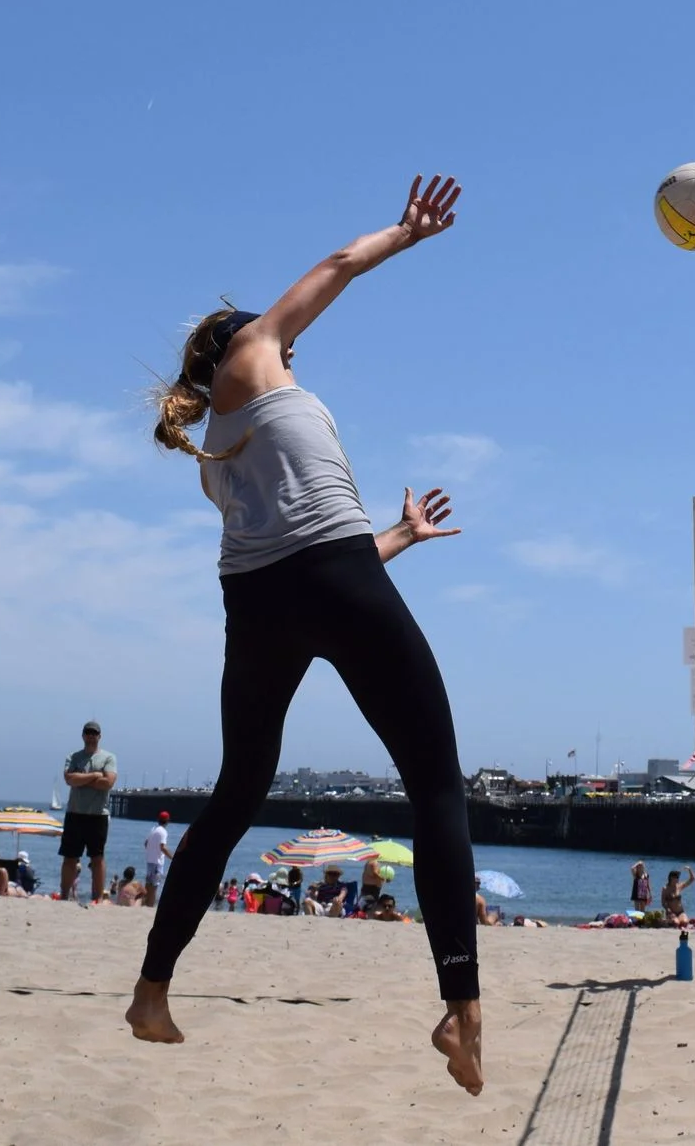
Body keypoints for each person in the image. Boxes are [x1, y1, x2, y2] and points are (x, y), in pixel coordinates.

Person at [125, 175, 484, 1097]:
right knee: (435, 783)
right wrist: (407, 232)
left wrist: (397, 537)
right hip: (329, 579)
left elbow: (297, 548)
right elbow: (335, 265)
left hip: (261, 601)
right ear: (244, 337)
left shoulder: (215, 452)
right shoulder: (256, 349)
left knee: (237, 792)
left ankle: (152, 989)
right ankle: (460, 1005)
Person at [60, 722, 117, 905]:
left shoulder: (109, 758)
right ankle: (63, 895)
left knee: (97, 857)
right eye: (88, 732)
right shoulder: (74, 756)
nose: (91, 736)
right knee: (70, 856)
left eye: (95, 733)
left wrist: (81, 779)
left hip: (98, 814)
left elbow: (108, 783)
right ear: (83, 735)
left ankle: (98, 897)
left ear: (100, 736)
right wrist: (94, 776)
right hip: (75, 813)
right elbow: (69, 779)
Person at [143, 811, 173, 893]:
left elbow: (146, 844)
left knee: (148, 886)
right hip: (157, 863)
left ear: (158, 820)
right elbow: (163, 847)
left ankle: (144, 904)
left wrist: (152, 850)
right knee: (154, 887)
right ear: (167, 821)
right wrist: (172, 858)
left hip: (149, 861)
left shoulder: (153, 829)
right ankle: (150, 905)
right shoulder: (163, 831)